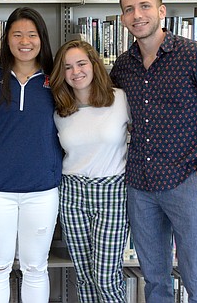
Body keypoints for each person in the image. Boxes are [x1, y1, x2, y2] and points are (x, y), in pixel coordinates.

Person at [110, 0, 197, 302]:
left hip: (187, 182)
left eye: (144, 6)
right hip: (140, 185)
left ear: (161, 11)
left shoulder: (195, 56)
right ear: (123, 19)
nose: (137, 15)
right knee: (154, 281)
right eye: (129, 9)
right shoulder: (122, 67)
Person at [0, 7, 61, 302]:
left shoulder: (57, 75)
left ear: (42, 38)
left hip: (42, 188)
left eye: (32, 34)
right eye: (17, 34)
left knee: (35, 267)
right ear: (6, 39)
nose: (25, 41)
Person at [51, 40, 130, 302]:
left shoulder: (120, 99)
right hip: (72, 193)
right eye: (68, 67)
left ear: (94, 65)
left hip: (112, 192)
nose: (76, 72)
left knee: (106, 278)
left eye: (81, 63)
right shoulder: (60, 110)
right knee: (84, 276)